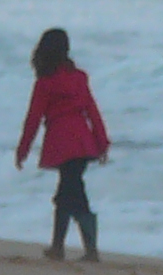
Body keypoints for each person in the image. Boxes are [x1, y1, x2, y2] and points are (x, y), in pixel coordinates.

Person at [15, 26, 109, 262]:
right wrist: (102, 142)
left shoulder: (45, 83)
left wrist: (23, 148)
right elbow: (92, 111)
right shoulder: (79, 78)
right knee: (69, 192)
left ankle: (81, 250)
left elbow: (33, 119)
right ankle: (64, 248)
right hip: (83, 143)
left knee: (70, 193)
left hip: (62, 144)